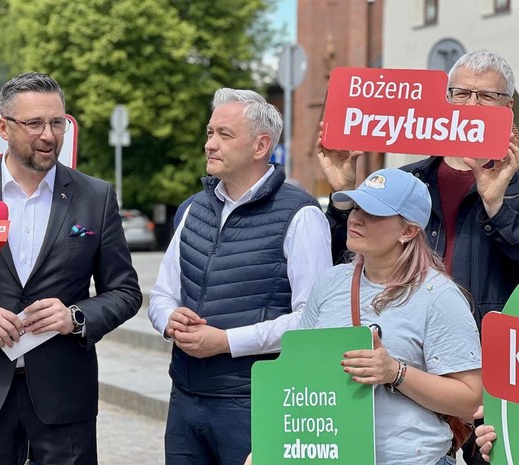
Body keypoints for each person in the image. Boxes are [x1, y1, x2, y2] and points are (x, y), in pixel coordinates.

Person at [0, 72, 142, 465]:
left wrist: (75, 317)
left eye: (57, 123)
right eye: (34, 123)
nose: (48, 136)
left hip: (63, 396)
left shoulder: (96, 196)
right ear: (3, 128)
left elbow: (125, 291)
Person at [319, 49, 519, 464]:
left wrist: (498, 207)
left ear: (508, 108)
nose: (471, 105)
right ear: (445, 101)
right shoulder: (409, 179)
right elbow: (352, 261)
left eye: (487, 96)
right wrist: (343, 195)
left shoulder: (514, 183)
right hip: (413, 366)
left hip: (494, 372)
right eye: (461, 93)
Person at [148, 88, 332, 465]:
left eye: (224, 135)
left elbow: (314, 322)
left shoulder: (301, 216)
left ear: (260, 146)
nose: (209, 144)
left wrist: (226, 342)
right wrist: (169, 319)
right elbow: (162, 294)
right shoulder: (192, 208)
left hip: (254, 401)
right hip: (185, 397)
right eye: (209, 132)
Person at [298, 168, 482, 465]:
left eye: (373, 212)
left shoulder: (439, 295)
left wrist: (395, 372)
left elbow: (471, 399)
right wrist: (273, 444)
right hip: (332, 454)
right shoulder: (329, 282)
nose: (356, 218)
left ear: (408, 231)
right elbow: (298, 372)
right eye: (356, 207)